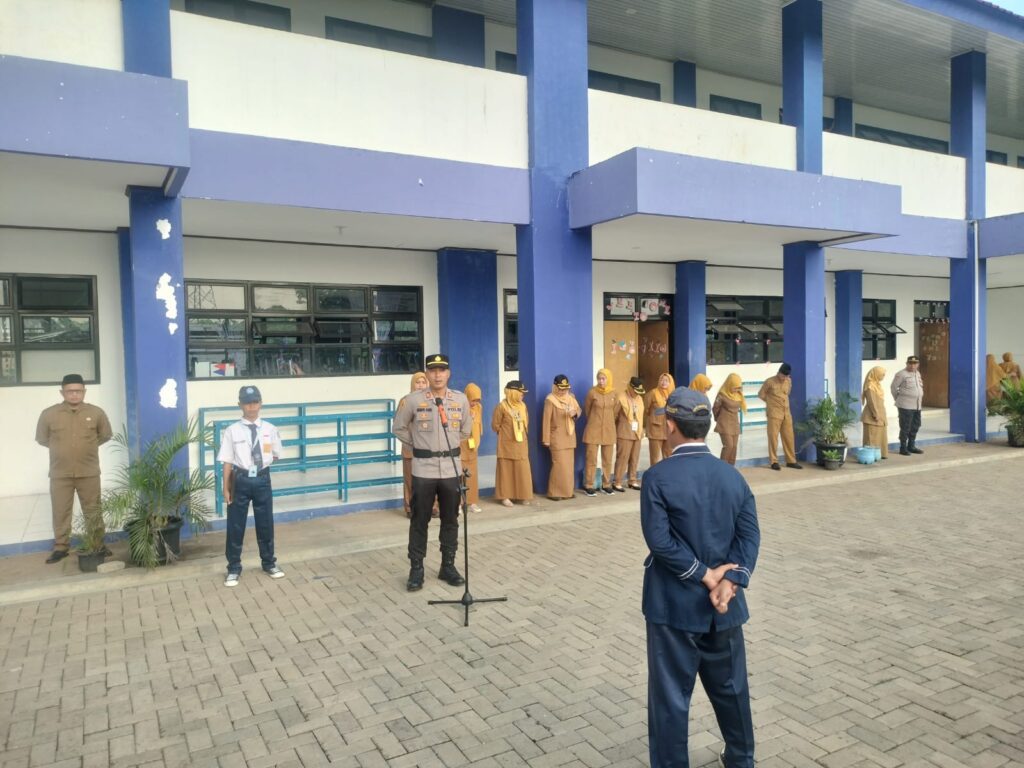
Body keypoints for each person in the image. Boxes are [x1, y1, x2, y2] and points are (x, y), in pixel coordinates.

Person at [641, 388, 760, 768]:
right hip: (725, 605)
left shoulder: (657, 477)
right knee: (732, 689)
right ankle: (741, 759)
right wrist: (731, 580)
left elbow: (660, 541)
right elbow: (749, 536)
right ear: (707, 425)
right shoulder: (732, 476)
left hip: (673, 605)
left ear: (670, 425)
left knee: (671, 698)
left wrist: (704, 575)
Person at [392, 354, 471, 591]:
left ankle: (448, 565)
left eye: (442, 370)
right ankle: (416, 568)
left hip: (450, 468)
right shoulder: (413, 400)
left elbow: (466, 430)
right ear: (427, 373)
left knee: (451, 519)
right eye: (433, 370)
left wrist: (448, 447)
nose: (437, 375)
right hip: (424, 469)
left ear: (448, 373)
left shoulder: (460, 399)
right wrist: (418, 445)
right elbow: (399, 427)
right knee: (420, 520)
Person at [35, 373, 113, 564]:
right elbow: (42, 439)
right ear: (62, 392)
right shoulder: (49, 414)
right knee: (61, 511)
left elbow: (105, 435)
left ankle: (97, 544)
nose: (74, 394)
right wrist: (62, 449)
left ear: (84, 391)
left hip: (89, 471)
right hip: (60, 473)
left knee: (93, 509)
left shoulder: (96, 413)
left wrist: (85, 448)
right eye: (70, 391)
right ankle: (61, 547)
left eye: (78, 391)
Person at [218, 385, 285, 587]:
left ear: (261, 403)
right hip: (240, 480)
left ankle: (269, 562)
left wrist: (260, 463)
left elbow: (275, 454)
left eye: (255, 402)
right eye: (247, 403)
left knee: (265, 522)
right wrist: (225, 487)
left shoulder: (270, 429)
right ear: (240, 404)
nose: (251, 407)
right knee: (235, 524)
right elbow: (227, 461)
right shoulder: (232, 431)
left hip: (262, 479)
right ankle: (233, 568)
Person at [492, 380, 534, 507]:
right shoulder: (502, 407)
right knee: (506, 471)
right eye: (521, 393)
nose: (523, 395)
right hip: (506, 445)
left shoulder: (523, 406)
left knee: (522, 470)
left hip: (521, 444)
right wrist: (506, 434)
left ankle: (522, 495)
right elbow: (495, 425)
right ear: (513, 393)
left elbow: (526, 423)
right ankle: (505, 496)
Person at [542, 374, 581, 501]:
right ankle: (554, 493)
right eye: (560, 388)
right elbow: (546, 421)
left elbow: (578, 410)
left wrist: (574, 413)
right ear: (555, 387)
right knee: (559, 465)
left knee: (568, 466)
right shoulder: (550, 400)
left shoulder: (571, 398)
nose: (563, 391)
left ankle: (567, 492)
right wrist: (546, 439)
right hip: (557, 437)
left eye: (565, 388)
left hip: (569, 436)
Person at [758, 363, 801, 471]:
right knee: (773, 438)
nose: (784, 378)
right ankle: (774, 461)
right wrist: (771, 403)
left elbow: (787, 393)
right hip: (774, 414)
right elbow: (761, 394)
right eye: (783, 376)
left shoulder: (788, 381)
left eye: (786, 376)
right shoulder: (769, 382)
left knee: (789, 437)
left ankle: (791, 461)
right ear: (778, 373)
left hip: (786, 413)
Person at [582, 368, 617, 496]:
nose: (601, 381)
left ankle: (606, 484)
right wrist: (595, 420)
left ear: (608, 379)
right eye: (599, 379)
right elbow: (587, 410)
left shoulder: (614, 393)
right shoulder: (592, 393)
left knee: (607, 459)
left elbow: (615, 411)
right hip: (593, 429)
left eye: (603, 379)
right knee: (591, 458)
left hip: (608, 430)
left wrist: (608, 421)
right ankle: (589, 485)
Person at [399, 372, 429, 518]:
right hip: (410, 449)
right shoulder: (405, 401)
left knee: (429, 480)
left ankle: (432, 507)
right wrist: (411, 442)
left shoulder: (432, 400)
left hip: (428, 449)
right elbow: (400, 427)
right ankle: (410, 508)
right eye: (418, 382)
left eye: (423, 382)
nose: (421, 385)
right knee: (410, 480)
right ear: (412, 384)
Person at [613, 376, 646, 492]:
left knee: (634, 458)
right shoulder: (621, 397)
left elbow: (641, 415)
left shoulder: (639, 399)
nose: (637, 394)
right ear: (630, 387)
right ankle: (617, 482)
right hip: (624, 432)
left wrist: (641, 429)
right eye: (636, 391)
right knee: (622, 457)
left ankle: (632, 480)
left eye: (639, 392)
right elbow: (614, 415)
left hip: (637, 433)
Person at [891, 355, 924, 456]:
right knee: (905, 426)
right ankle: (903, 447)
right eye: (910, 363)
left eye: (915, 363)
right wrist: (899, 399)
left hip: (917, 405)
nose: (912, 366)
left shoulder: (917, 373)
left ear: (918, 364)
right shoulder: (901, 374)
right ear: (907, 364)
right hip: (905, 405)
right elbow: (893, 388)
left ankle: (911, 446)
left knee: (916, 425)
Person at [460, 382, 484, 513]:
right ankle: (459, 503)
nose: (474, 403)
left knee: (472, 475)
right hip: (462, 445)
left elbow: (479, 425)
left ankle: (472, 502)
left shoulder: (479, 408)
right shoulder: (460, 408)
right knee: (460, 474)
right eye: (472, 400)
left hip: (472, 446)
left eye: (477, 400)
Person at [713, 373, 746, 465]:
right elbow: (715, 408)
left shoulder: (738, 394)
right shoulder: (722, 395)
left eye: (738, 388)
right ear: (729, 385)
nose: (736, 390)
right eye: (734, 388)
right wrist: (719, 419)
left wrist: (738, 390)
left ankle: (731, 467)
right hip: (724, 423)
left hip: (735, 424)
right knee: (728, 446)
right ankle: (722, 468)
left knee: (734, 447)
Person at [645, 373, 675, 466]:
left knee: (669, 456)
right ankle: (655, 474)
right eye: (662, 380)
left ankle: (667, 473)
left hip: (669, 430)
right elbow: (646, 409)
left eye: (666, 380)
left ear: (670, 382)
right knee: (655, 457)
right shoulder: (653, 393)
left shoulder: (673, 395)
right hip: (655, 429)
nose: (664, 382)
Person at [861, 366, 889, 460]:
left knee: (880, 435)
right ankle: (870, 456)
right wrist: (875, 414)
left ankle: (880, 454)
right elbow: (871, 401)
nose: (883, 377)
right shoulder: (870, 386)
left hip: (881, 413)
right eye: (882, 375)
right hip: (872, 415)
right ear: (876, 374)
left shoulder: (877, 385)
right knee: (872, 436)